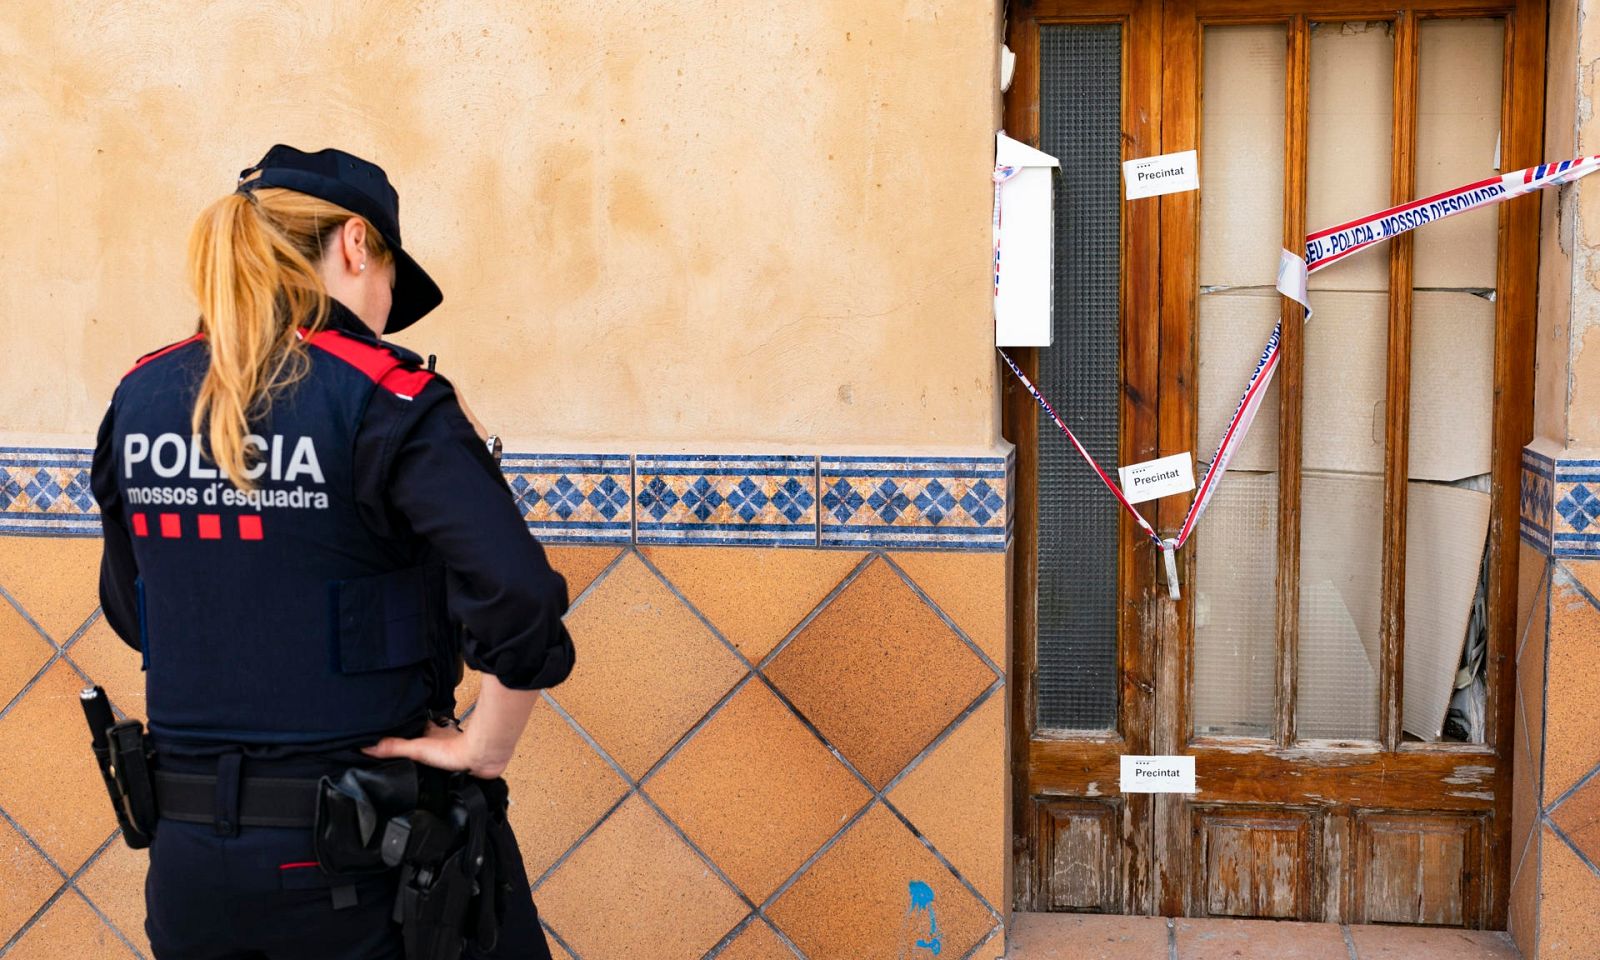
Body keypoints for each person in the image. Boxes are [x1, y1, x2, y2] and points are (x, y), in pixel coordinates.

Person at [89, 144, 575, 960]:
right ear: (355, 244)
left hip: (189, 872)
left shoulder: (140, 396)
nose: (385, 311)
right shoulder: (389, 398)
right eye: (389, 280)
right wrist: (486, 745)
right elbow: (519, 595)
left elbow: (138, 613)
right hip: (365, 867)